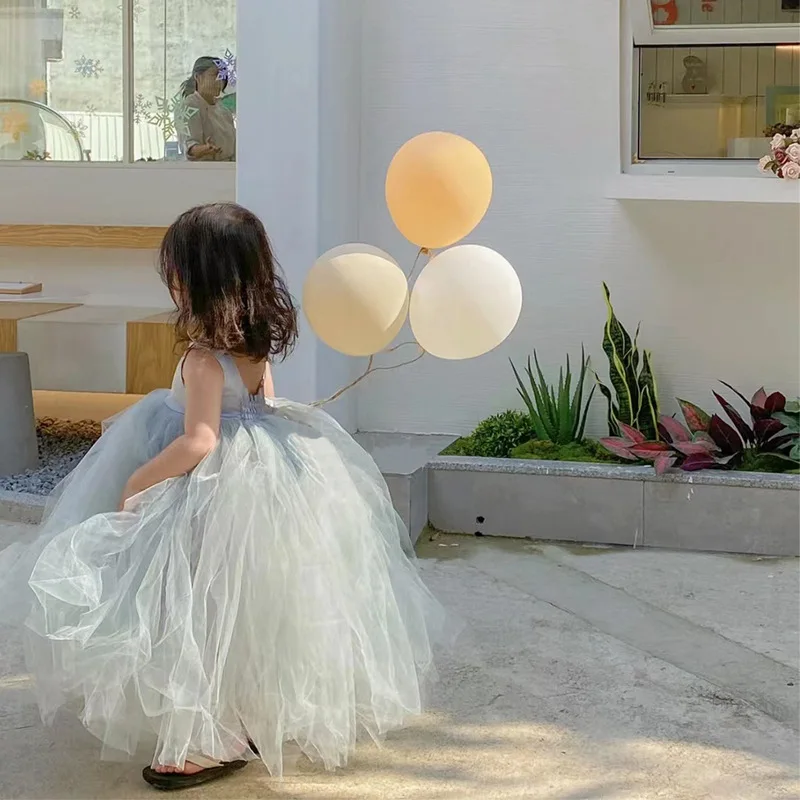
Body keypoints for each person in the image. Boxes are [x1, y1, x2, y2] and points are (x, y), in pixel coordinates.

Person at [0, 203, 449, 791]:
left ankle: (210, 736)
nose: (172, 282)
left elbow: (201, 440)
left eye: (177, 272)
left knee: (195, 609)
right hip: (269, 479)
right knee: (253, 608)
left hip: (212, 490)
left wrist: (136, 483)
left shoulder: (203, 358)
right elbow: (260, 408)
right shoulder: (255, 345)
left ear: (197, 280)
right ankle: (247, 715)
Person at [177, 57, 236, 161]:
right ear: (198, 77)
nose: (219, 81)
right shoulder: (190, 105)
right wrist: (205, 149)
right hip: (204, 172)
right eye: (215, 75)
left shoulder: (224, 110)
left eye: (222, 77)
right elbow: (190, 147)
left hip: (228, 170)